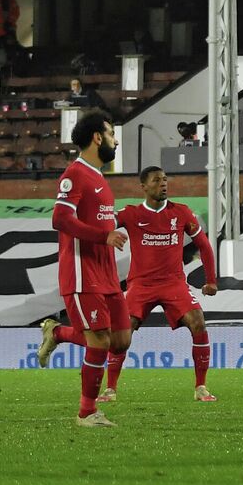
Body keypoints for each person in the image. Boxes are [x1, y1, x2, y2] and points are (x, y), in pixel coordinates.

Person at [89, 166, 221, 403]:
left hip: (174, 284)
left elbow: (204, 245)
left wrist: (211, 280)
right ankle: (110, 389)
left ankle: (201, 387)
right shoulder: (131, 214)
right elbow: (103, 224)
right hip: (141, 285)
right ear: (144, 187)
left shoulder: (181, 213)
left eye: (165, 179)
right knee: (121, 333)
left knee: (198, 322)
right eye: (157, 180)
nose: (163, 184)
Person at [34, 112, 129, 428]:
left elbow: (100, 219)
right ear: (97, 138)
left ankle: (57, 332)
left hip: (107, 274)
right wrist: (105, 235)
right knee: (99, 341)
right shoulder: (74, 174)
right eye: (112, 133)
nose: (116, 140)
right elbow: (60, 219)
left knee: (120, 340)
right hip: (81, 273)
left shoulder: (100, 178)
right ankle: (87, 412)